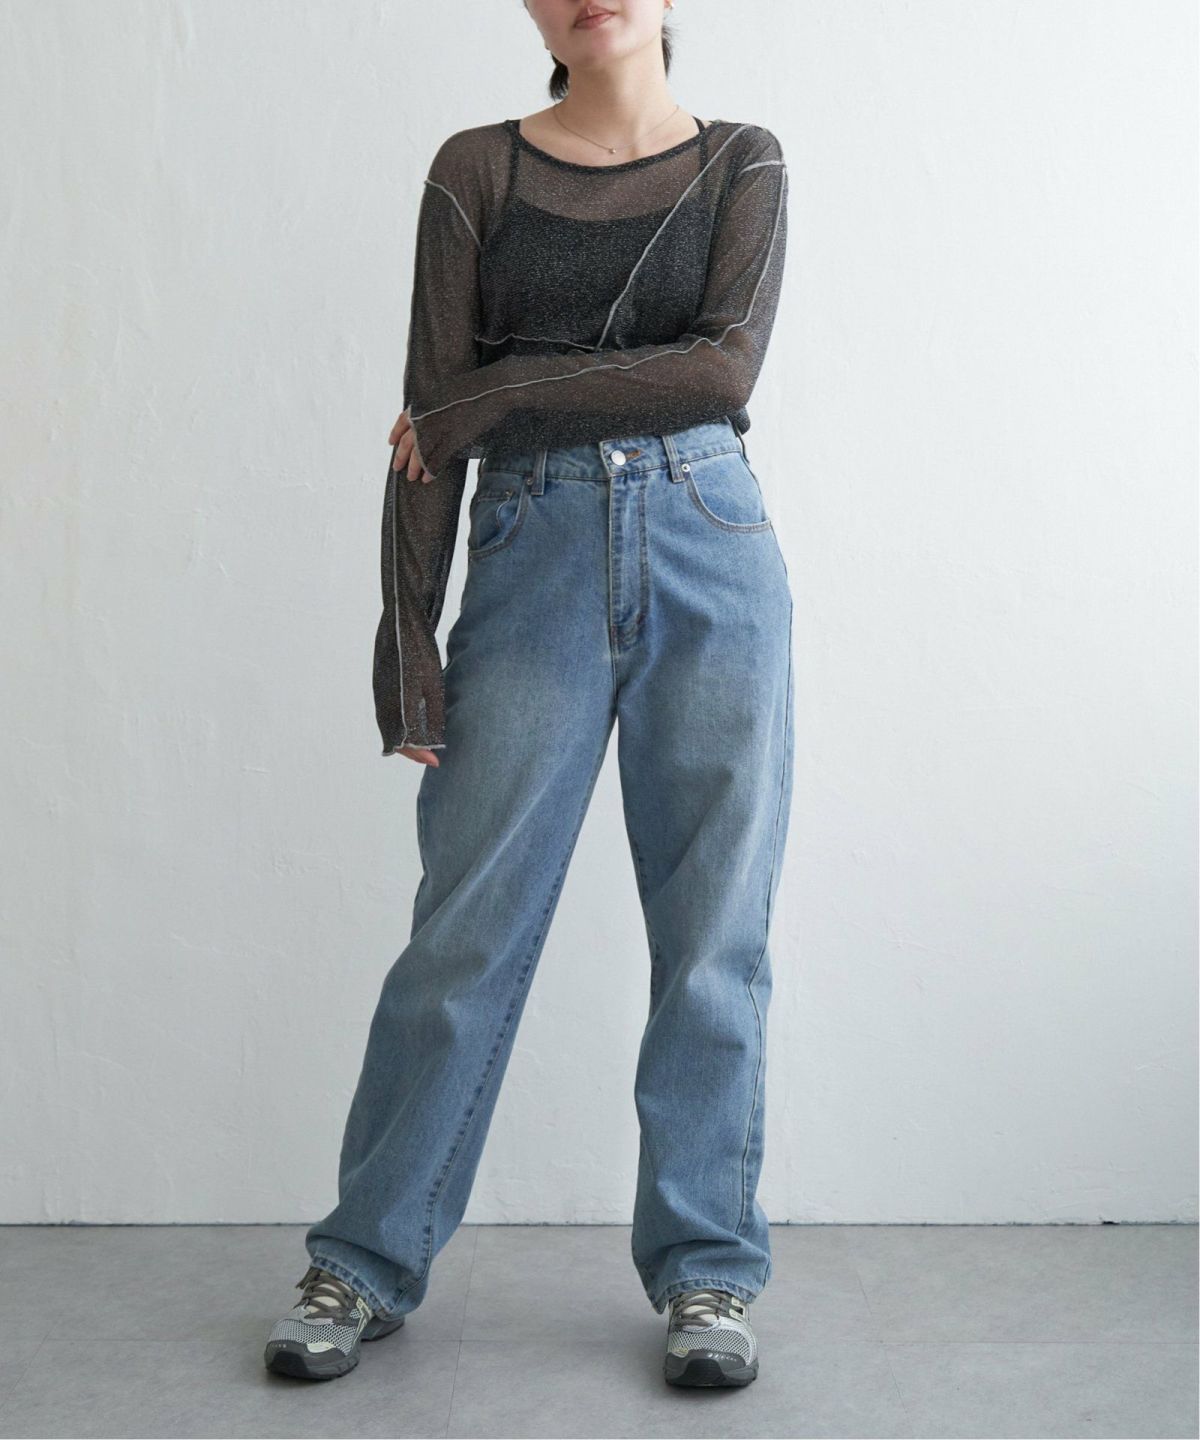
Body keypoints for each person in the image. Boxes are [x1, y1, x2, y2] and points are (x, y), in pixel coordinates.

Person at [264, 0, 793, 1390]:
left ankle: (708, 1272)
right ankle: (362, 1258)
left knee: (715, 938)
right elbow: (424, 423)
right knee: (463, 935)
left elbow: (720, 368)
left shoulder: (742, 159)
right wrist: (407, 639)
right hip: (529, 552)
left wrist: (503, 397)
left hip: (709, 542)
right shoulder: (476, 170)